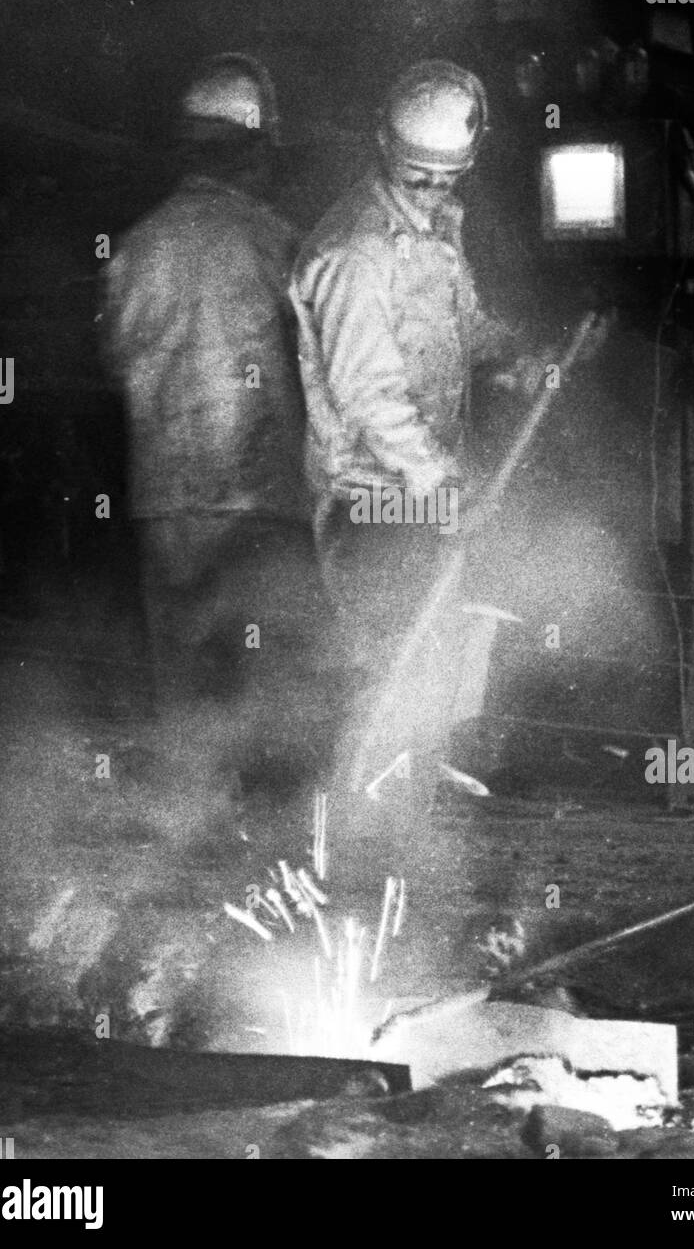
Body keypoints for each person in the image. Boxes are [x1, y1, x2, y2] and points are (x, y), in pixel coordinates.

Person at [290, 60, 543, 804]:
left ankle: (410, 801)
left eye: (446, 178)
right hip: (372, 499)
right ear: (381, 145)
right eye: (419, 178)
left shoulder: (432, 229)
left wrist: (520, 359)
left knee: (435, 644)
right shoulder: (353, 253)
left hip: (423, 490)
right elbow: (368, 395)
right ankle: (353, 820)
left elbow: (456, 329)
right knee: (388, 656)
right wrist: (439, 480)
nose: (432, 190)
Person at [105, 54, 323, 789]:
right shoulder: (276, 243)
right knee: (267, 665)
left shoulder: (134, 248)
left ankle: (191, 823)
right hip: (261, 493)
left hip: (167, 497)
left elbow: (116, 357)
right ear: (254, 148)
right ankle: (273, 833)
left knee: (186, 668)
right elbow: (318, 366)